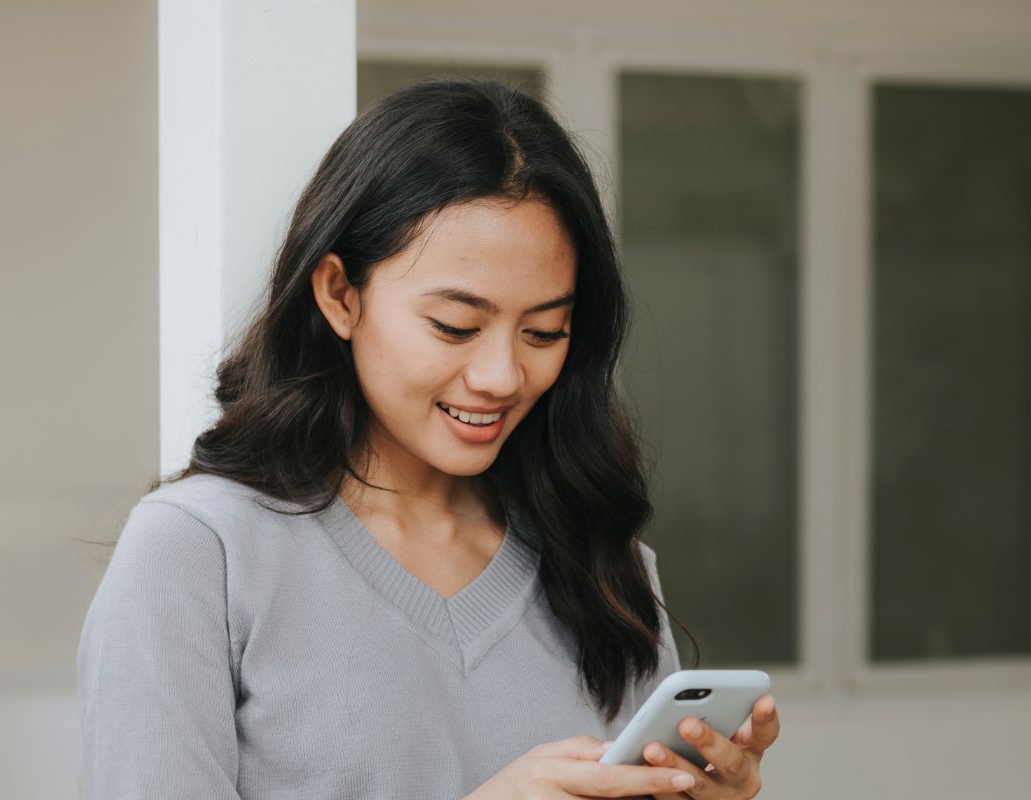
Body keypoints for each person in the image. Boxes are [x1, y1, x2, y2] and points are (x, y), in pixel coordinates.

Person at [77, 76, 780, 799]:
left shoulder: (602, 561)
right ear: (339, 295)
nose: (502, 375)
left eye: (544, 331)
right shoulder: (198, 555)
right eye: (455, 326)